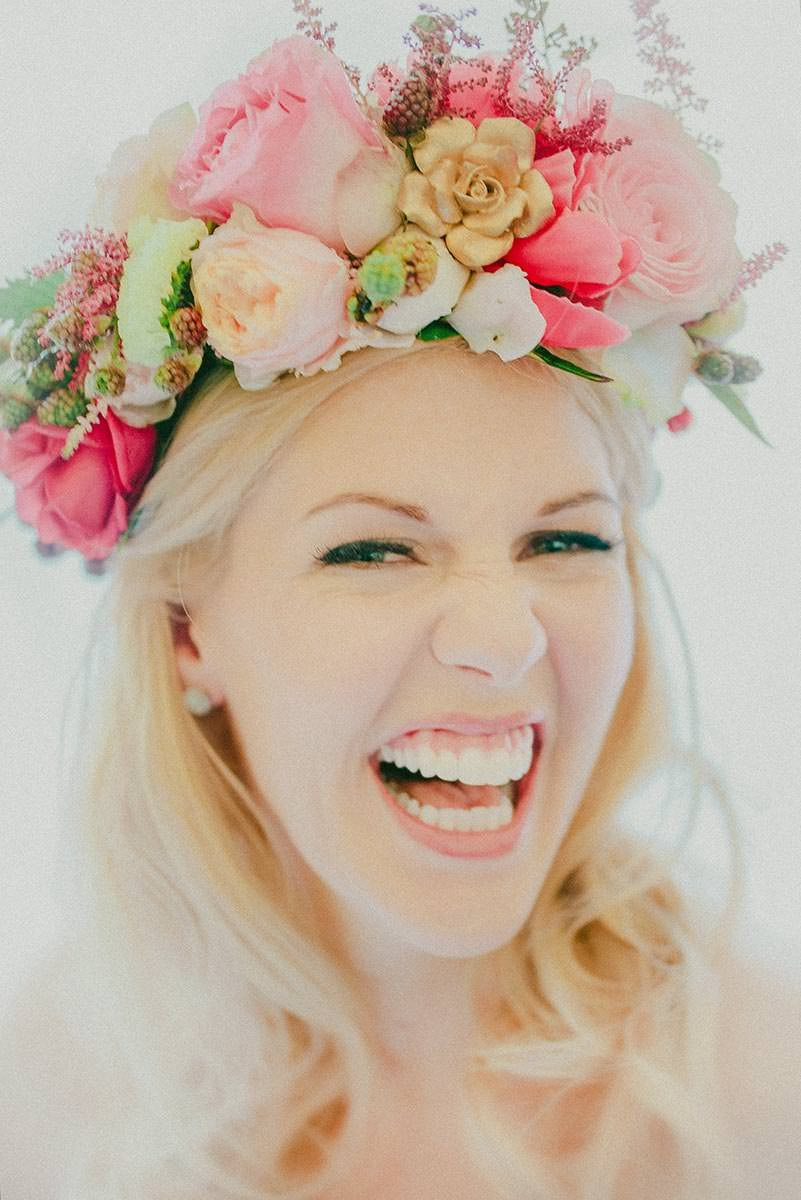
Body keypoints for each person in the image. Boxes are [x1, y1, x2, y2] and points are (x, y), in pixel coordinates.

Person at [0, 6, 798, 1199]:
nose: (502, 636)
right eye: (374, 552)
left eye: (566, 537)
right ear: (186, 632)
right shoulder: (54, 1100)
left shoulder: (758, 1087)